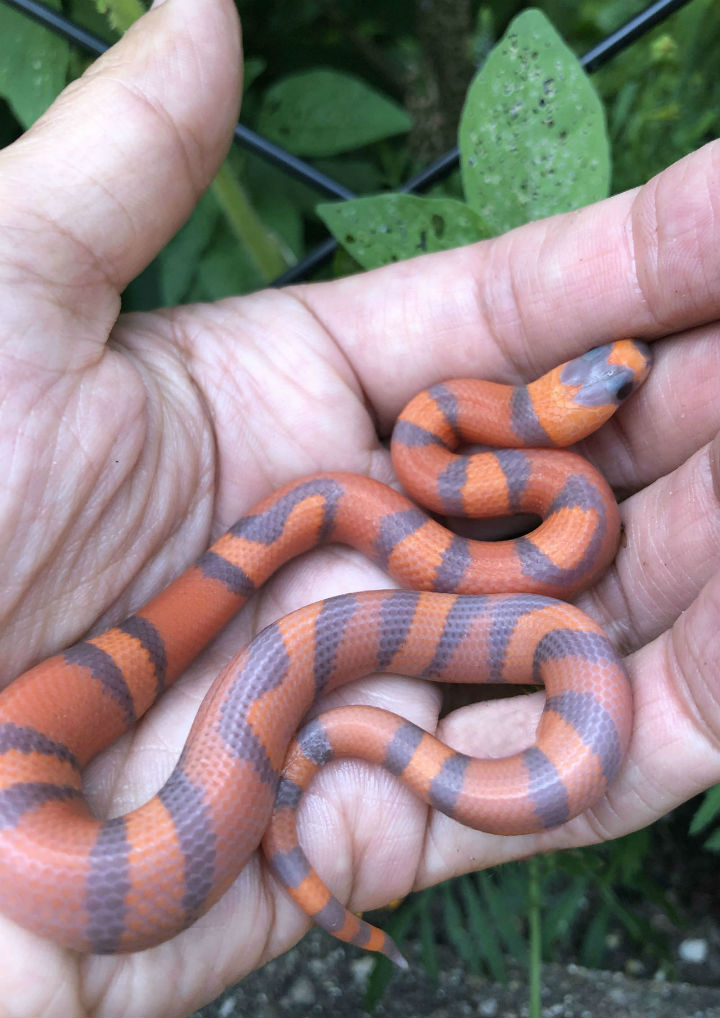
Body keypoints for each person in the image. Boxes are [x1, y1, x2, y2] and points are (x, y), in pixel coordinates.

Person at [1, 0, 719, 1015]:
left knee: (358, 606)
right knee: (330, 595)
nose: (621, 373)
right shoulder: (471, 452)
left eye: (614, 384)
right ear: (550, 413)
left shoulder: (476, 451)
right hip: (46, 806)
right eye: (611, 380)